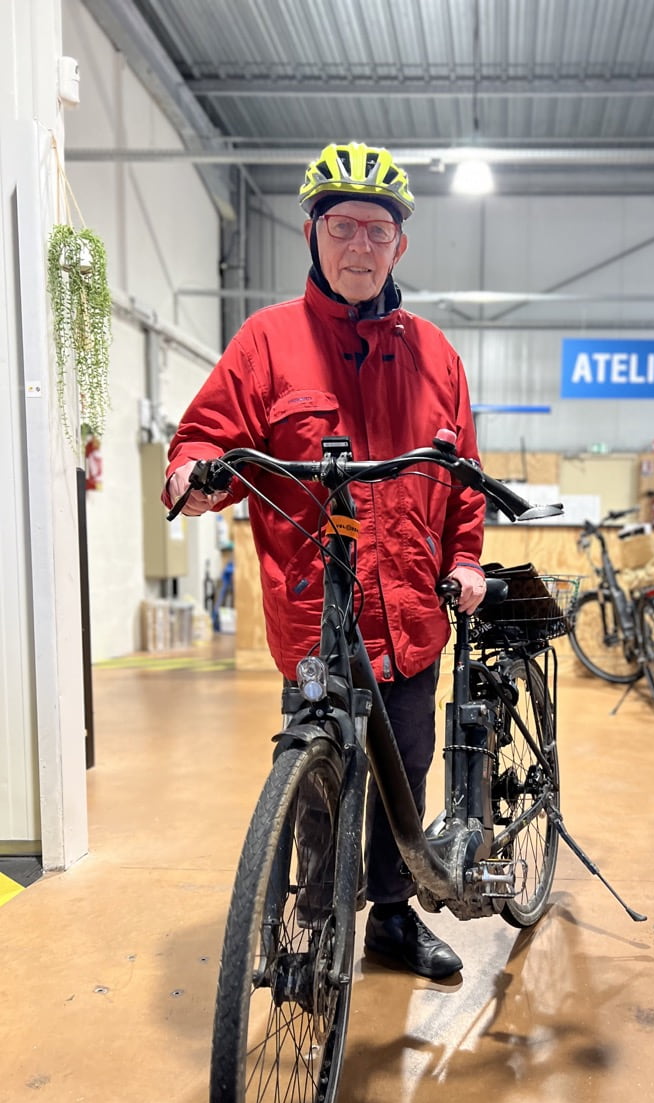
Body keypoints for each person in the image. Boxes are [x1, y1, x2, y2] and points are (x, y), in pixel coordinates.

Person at [163, 141, 487, 980]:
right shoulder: (267, 342)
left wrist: (468, 561)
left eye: (376, 231)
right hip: (315, 616)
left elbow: (465, 484)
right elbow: (208, 439)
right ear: (312, 234)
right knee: (318, 773)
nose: (358, 246)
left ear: (398, 247)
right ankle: (313, 917)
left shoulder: (437, 356)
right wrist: (192, 478)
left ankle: (389, 918)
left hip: (412, 612)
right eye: (341, 227)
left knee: (402, 775)